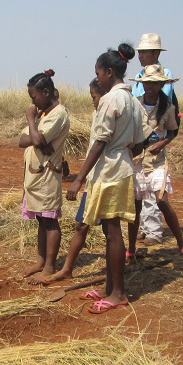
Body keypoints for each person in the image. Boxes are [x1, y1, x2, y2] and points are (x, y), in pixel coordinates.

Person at [66, 44, 144, 314]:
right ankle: (109, 288)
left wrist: (79, 178)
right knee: (109, 229)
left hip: (110, 170)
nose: (96, 78)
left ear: (109, 72)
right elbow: (139, 142)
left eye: (98, 73)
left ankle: (118, 293)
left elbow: (100, 141)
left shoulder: (111, 99)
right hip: (121, 166)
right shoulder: (133, 101)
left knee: (112, 232)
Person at [127, 64, 183, 260]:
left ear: (162, 85)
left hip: (156, 161)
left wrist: (162, 143)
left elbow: (172, 132)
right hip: (137, 160)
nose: (151, 87)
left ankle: (181, 242)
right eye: (148, 83)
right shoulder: (134, 105)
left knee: (161, 201)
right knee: (135, 206)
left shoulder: (168, 107)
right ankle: (131, 249)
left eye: (155, 84)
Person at [44, 78, 104, 284]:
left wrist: (79, 179)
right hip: (96, 177)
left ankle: (127, 257)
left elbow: (99, 146)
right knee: (82, 224)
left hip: (107, 178)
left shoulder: (111, 111)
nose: (93, 101)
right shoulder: (97, 114)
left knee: (108, 228)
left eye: (94, 97)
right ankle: (68, 269)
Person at [18, 70, 71, 282]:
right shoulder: (43, 115)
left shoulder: (58, 114)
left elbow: (37, 139)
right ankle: (41, 260)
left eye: (34, 97)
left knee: (50, 222)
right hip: (36, 176)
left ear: (46, 92)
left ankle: (49, 265)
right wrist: (36, 135)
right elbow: (23, 140)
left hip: (48, 176)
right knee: (41, 219)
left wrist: (30, 119)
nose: (32, 102)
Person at [132, 33, 179, 244]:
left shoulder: (165, 75)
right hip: (139, 146)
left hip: (156, 136)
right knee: (139, 192)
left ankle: (153, 230)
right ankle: (143, 228)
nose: (140, 56)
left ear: (156, 53)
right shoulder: (139, 77)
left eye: (144, 52)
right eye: (139, 52)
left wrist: (161, 139)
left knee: (155, 192)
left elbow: (167, 106)